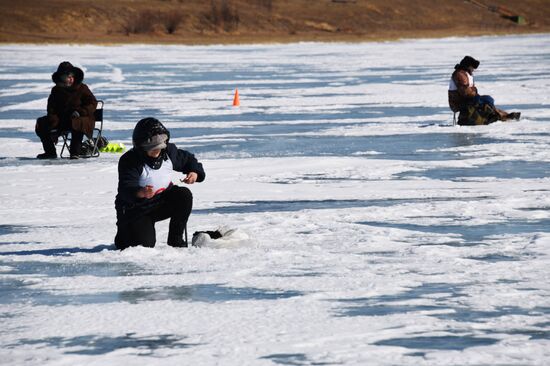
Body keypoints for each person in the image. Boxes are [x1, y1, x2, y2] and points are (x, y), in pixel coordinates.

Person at [114, 117, 205, 250]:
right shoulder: (129, 161)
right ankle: (125, 233)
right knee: (143, 246)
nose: (156, 152)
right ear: (141, 147)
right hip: (137, 209)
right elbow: (125, 188)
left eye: (159, 148)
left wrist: (194, 172)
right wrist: (141, 192)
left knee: (183, 195)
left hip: (162, 201)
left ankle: (176, 240)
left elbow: (188, 160)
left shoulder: (168, 152)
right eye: (151, 149)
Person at [35, 61, 97, 159]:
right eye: (68, 76)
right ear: (61, 77)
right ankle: (50, 152)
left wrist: (80, 112)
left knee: (77, 122)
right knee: (41, 123)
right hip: (63, 119)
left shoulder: (82, 88)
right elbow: (51, 108)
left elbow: (93, 103)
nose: (71, 78)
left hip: (81, 117)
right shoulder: (56, 90)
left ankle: (75, 152)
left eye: (72, 76)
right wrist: (53, 120)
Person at [448, 56, 520, 125]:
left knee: (488, 100)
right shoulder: (460, 74)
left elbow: (469, 91)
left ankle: (503, 115)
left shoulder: (464, 73)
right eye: (472, 67)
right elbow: (466, 92)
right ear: (468, 66)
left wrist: (475, 93)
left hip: (466, 98)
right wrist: (475, 92)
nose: (473, 70)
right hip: (459, 101)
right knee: (486, 100)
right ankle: (498, 117)